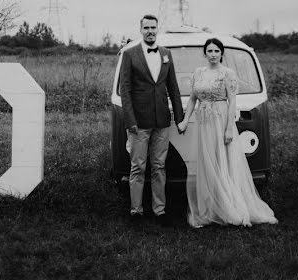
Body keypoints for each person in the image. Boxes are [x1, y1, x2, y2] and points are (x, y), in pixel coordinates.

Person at [176, 37, 278, 228]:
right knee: (207, 162)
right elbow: (192, 100)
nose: (213, 54)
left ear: (221, 53)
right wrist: (184, 121)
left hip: (221, 120)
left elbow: (232, 102)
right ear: (205, 53)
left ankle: (229, 206)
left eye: (216, 51)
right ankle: (210, 206)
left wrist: (229, 129)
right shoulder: (198, 73)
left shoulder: (227, 74)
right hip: (204, 123)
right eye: (210, 51)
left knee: (223, 161)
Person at [119, 14, 185, 226]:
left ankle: (160, 210)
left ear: (158, 29)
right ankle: (136, 210)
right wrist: (130, 120)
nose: (150, 31)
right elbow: (125, 91)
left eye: (153, 27)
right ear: (141, 30)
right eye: (146, 27)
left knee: (159, 166)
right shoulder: (129, 55)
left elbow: (173, 88)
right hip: (138, 122)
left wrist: (180, 118)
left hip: (162, 122)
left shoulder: (166, 54)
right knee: (138, 167)